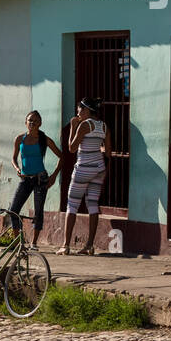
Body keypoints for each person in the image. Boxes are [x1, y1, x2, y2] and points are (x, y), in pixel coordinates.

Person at [58, 96, 111, 255]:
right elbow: (107, 151)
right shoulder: (104, 127)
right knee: (93, 205)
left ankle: (65, 245)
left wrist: (73, 126)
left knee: (72, 204)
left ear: (87, 110)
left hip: (83, 169)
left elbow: (72, 148)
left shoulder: (84, 125)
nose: (77, 113)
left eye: (79, 110)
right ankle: (89, 246)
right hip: (99, 168)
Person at [8, 110, 61, 250]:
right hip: (25, 179)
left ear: (40, 124)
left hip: (40, 179)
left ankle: (34, 243)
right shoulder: (19, 139)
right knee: (13, 210)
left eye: (35, 121)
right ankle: (18, 242)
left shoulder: (44, 139)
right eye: (30, 120)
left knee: (38, 212)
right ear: (25, 122)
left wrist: (54, 175)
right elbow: (13, 158)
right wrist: (17, 169)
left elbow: (62, 156)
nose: (32, 123)